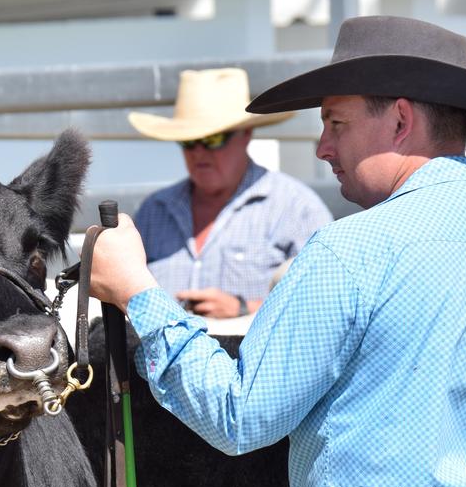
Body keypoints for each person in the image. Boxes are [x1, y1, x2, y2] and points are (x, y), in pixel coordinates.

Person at [89, 16, 466, 487]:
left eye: (335, 122)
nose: (324, 148)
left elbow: (240, 415)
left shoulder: (349, 253)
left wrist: (137, 292)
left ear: (401, 121)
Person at [128, 67, 332, 318]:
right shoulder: (154, 211)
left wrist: (245, 309)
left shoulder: (296, 208)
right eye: (188, 141)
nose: (199, 152)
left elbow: (326, 301)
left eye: (214, 139)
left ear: (246, 134)